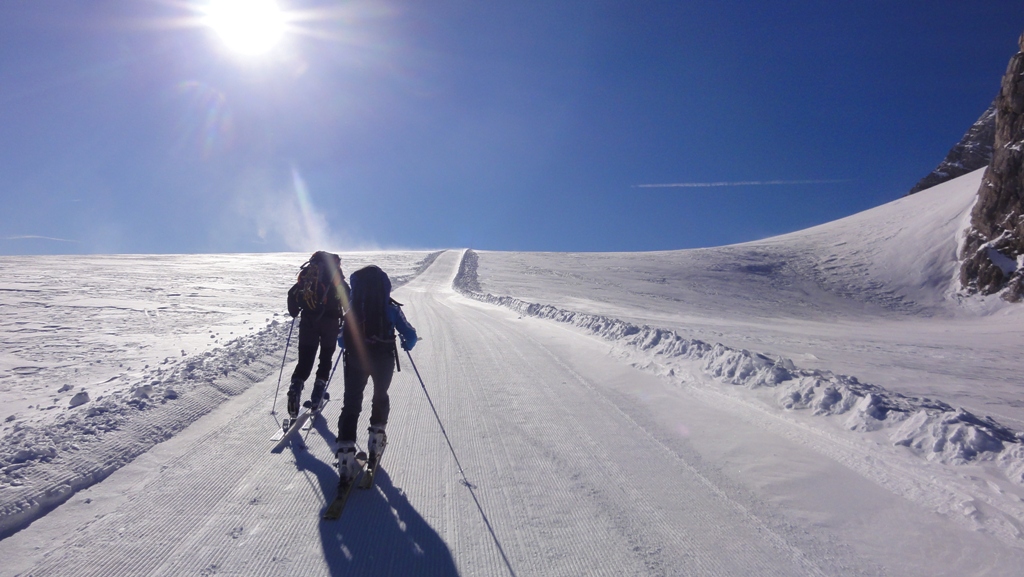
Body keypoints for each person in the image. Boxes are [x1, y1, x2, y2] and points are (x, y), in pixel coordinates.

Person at [335, 265, 417, 486]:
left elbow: (341, 341)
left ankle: (345, 456)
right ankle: (376, 439)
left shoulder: (352, 310)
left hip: (356, 359)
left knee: (351, 404)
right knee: (380, 396)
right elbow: (410, 335)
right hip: (383, 358)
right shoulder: (390, 308)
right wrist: (406, 343)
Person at [285, 251, 349, 422]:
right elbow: (348, 299)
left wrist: (295, 312)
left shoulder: (308, 275)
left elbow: (292, 296)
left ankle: (296, 386)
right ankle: (317, 393)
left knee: (305, 360)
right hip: (330, 324)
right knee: (325, 358)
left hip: (308, 322)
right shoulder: (335, 276)